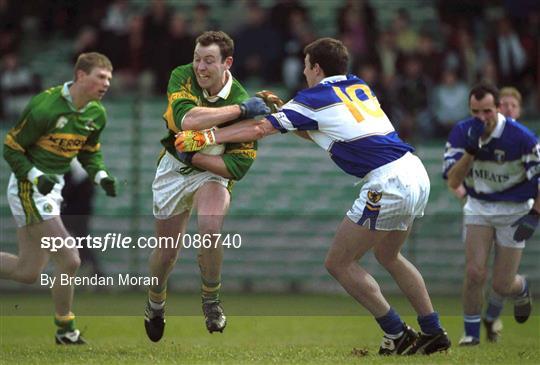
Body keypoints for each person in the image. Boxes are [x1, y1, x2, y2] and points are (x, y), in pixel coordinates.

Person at [176, 37, 451, 355]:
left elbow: (257, 130)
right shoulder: (356, 85)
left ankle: (397, 333)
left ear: (316, 68)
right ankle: (433, 332)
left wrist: (204, 136)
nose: (304, 73)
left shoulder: (313, 96)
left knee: (339, 263)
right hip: (414, 172)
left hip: (387, 182)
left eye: (306, 66)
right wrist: (285, 112)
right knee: (389, 256)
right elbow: (322, 129)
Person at [144, 30, 269, 342]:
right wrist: (240, 113)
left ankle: (211, 299)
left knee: (210, 227)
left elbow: (236, 167)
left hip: (210, 172)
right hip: (173, 168)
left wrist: (198, 155)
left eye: (209, 61)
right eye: (197, 58)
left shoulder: (240, 95)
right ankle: (155, 303)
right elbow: (186, 119)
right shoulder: (183, 76)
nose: (200, 67)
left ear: (227, 62)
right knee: (166, 252)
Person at [1, 52, 117, 344]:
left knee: (27, 271)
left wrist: (101, 175)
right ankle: (66, 330)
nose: (106, 84)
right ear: (80, 76)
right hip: (29, 186)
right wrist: (35, 176)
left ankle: (65, 330)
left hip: (51, 188)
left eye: (109, 79)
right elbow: (12, 149)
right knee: (70, 258)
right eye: (100, 77)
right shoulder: (46, 106)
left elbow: (90, 152)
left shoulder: (96, 113)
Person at [443, 82, 538, 346]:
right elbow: (453, 181)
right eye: (475, 112)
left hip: (515, 209)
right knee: (474, 273)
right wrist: (470, 152)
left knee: (502, 285)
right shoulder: (462, 133)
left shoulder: (522, 138)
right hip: (479, 206)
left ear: (498, 108)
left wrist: (535, 214)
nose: (481, 118)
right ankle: (471, 335)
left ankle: (521, 287)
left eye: (487, 111)